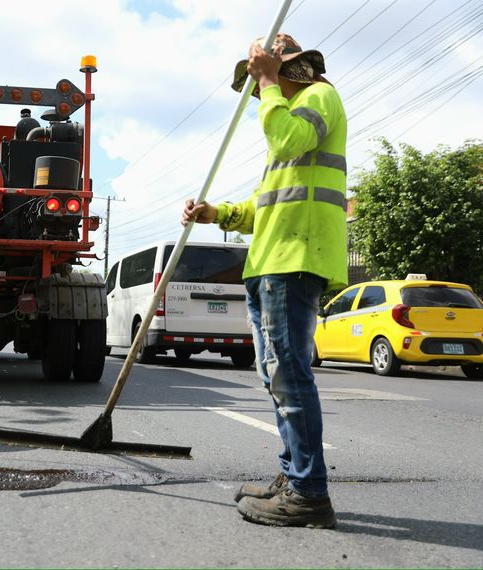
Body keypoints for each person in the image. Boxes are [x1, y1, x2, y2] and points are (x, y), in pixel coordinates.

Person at [182, 34, 347, 528]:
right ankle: (294, 476)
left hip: (293, 261)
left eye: (262, 80)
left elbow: (288, 139)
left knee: (289, 375)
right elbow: (265, 207)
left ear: (292, 69)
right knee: (277, 377)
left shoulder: (319, 96)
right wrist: (218, 213)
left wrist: (270, 81)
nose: (258, 93)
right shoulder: (287, 121)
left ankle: (307, 493)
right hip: (271, 261)